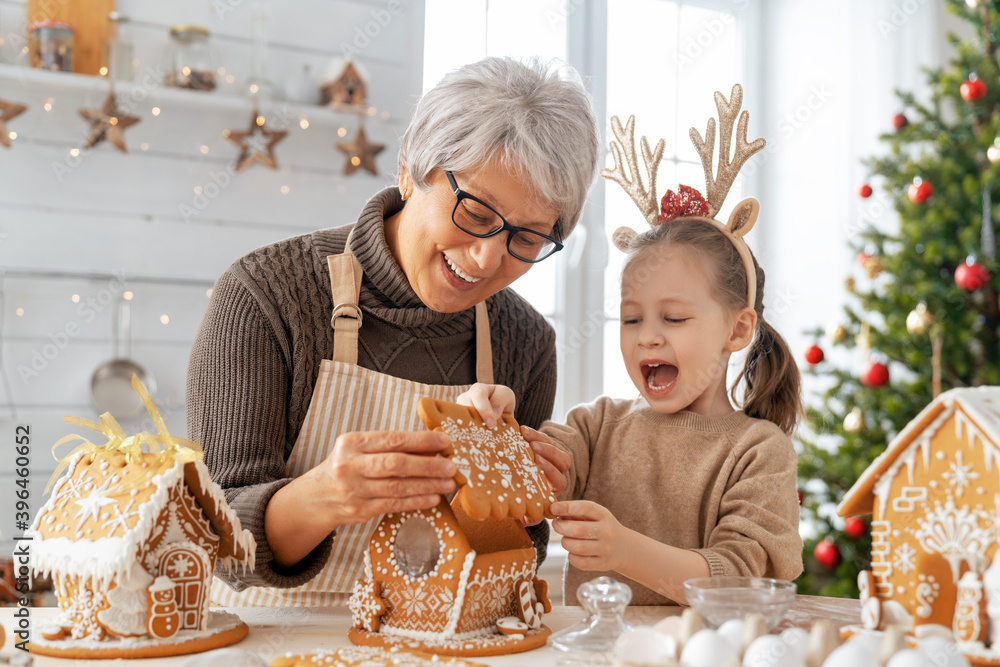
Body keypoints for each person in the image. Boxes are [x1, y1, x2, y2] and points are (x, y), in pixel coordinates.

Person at [186, 56, 600, 606]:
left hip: (446, 644)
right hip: (277, 642)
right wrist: (328, 495)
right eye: (476, 212)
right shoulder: (266, 296)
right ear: (410, 169)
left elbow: (513, 556)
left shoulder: (525, 339)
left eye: (527, 238)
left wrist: (519, 496)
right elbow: (215, 540)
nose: (485, 257)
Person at [458, 183, 805, 608]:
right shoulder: (596, 425)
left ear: (737, 330)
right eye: (631, 319)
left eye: (674, 318)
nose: (648, 339)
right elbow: (530, 485)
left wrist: (625, 551)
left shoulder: (759, 451)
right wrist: (497, 431)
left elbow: (738, 587)